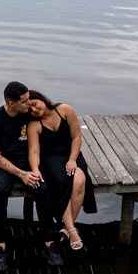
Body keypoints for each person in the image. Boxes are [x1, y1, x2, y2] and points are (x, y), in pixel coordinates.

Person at [0, 82, 64, 271]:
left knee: (43, 190)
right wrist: (21, 174)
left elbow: (53, 119)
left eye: (29, 99)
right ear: (10, 103)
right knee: (0, 191)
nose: (29, 104)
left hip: (28, 161)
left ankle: (49, 242)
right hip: (2, 163)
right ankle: (0, 244)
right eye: (24, 101)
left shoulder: (29, 115)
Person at [26, 90, 98, 250]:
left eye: (34, 105)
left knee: (80, 180)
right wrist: (35, 169)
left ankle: (66, 227)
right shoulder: (34, 125)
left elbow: (76, 137)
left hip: (71, 154)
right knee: (62, 182)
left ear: (41, 98)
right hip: (50, 158)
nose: (35, 110)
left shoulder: (65, 109)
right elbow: (34, 151)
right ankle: (72, 230)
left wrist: (72, 159)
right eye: (30, 110)